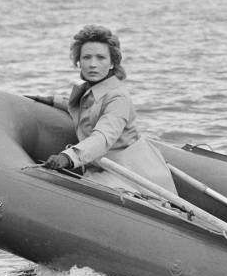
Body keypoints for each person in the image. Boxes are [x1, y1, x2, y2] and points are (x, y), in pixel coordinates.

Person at [27, 24, 176, 194]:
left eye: (100, 58)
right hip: (105, 166)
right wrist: (53, 101)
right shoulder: (91, 90)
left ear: (112, 63)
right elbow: (90, 109)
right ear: (78, 62)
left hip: (133, 175)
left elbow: (103, 137)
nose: (92, 64)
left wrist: (68, 157)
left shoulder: (118, 98)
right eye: (87, 57)